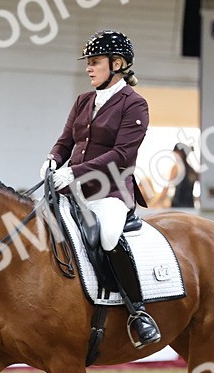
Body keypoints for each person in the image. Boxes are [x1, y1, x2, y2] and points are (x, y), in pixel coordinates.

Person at [41, 29, 160, 348]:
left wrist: (75, 171)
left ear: (117, 63)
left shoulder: (134, 104)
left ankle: (138, 312)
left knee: (108, 236)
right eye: (88, 62)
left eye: (95, 62)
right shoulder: (83, 101)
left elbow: (123, 154)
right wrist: (53, 160)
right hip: (72, 191)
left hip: (110, 192)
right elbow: (66, 140)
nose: (88, 68)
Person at [169, 142, 199, 209]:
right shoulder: (192, 171)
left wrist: (155, 203)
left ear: (180, 153)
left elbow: (166, 189)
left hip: (177, 207)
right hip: (190, 208)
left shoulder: (176, 168)